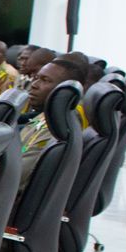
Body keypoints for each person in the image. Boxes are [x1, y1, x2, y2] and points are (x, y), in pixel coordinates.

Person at [18, 52, 91, 185]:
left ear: (62, 91)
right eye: (36, 78)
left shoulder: (57, 126)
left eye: (45, 80)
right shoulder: (49, 114)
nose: (34, 85)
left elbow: (17, 175)